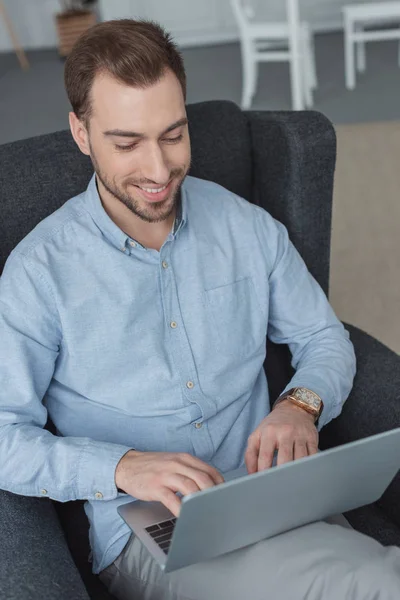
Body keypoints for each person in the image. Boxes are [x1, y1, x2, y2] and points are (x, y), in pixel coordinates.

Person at [0, 18, 399, 600]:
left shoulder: (245, 226)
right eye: (127, 142)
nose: (159, 171)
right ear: (81, 134)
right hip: (153, 530)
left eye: (173, 134)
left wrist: (301, 404)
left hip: (275, 495)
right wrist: (121, 467)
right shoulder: (40, 273)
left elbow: (322, 335)